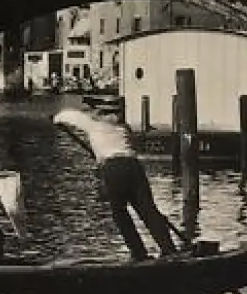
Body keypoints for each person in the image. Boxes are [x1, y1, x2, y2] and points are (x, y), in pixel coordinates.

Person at [53, 109, 179, 261]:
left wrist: (55, 119)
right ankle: (169, 249)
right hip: (133, 166)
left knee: (120, 213)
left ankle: (139, 253)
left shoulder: (92, 125)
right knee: (148, 210)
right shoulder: (124, 128)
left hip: (113, 168)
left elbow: (65, 116)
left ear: (100, 115)